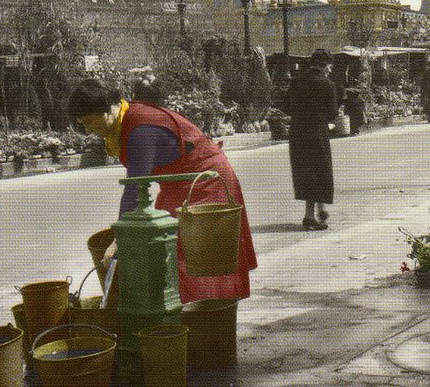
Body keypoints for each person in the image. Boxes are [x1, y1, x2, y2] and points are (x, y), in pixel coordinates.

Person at [68, 78, 257, 304]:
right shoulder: (126, 119)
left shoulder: (140, 128)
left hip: (205, 180)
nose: (89, 130)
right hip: (179, 181)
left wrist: (118, 239)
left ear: (107, 109)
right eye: (84, 125)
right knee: (163, 241)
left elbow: (135, 186)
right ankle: (186, 313)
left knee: (192, 251)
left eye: (90, 122)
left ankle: (206, 315)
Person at [284, 49, 338, 230]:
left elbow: (286, 107)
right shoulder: (327, 85)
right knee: (319, 171)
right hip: (317, 133)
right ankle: (309, 216)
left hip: (298, 133)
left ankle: (319, 210)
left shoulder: (296, 82)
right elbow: (332, 114)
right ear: (323, 66)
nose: (330, 71)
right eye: (329, 67)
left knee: (306, 173)